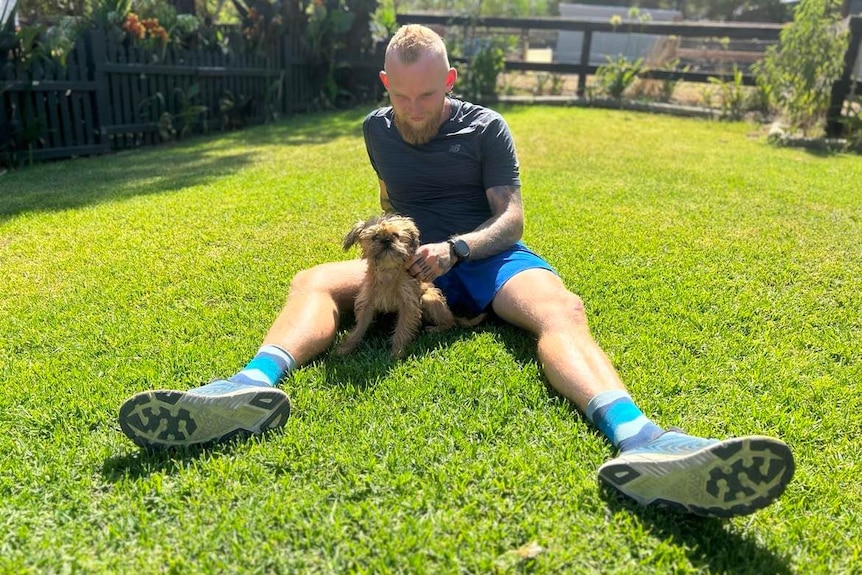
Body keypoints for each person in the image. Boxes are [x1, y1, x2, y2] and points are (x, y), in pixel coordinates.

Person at [119, 24, 794, 518]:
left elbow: (512, 219)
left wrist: (460, 249)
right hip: (413, 264)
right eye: (402, 97)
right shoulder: (374, 128)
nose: (415, 111)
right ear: (387, 86)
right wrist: (403, 261)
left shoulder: (486, 127)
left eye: (429, 96)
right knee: (311, 279)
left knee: (561, 309)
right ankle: (245, 388)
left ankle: (644, 441)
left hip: (486, 256)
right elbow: (391, 201)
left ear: (449, 81)